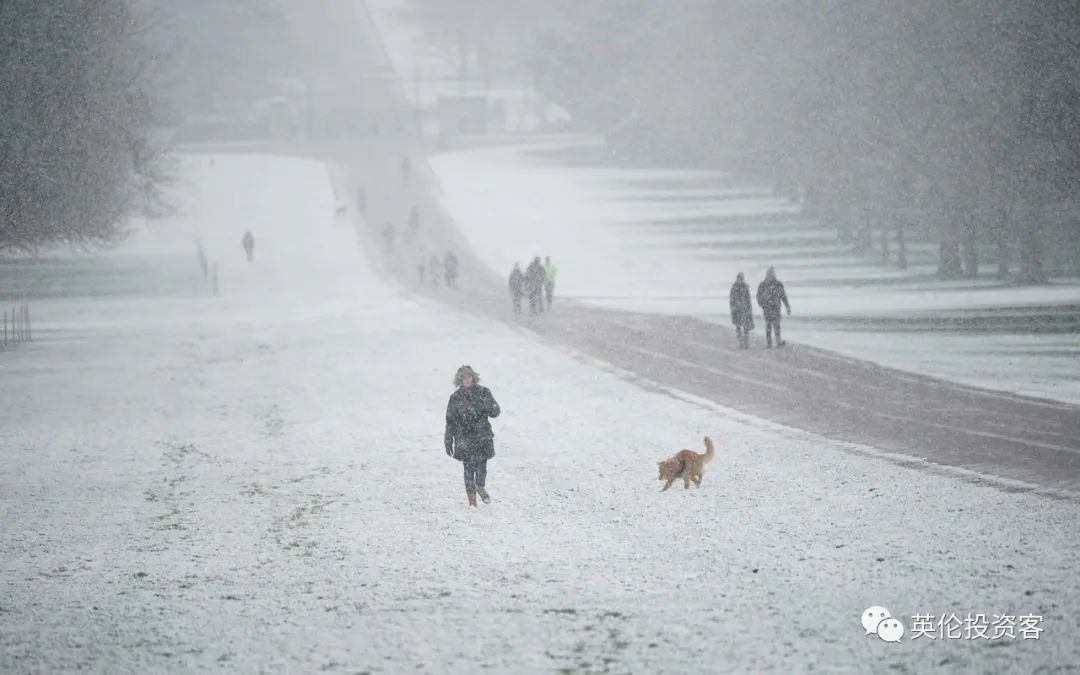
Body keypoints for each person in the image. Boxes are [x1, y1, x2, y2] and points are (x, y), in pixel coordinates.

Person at [444, 365, 501, 506]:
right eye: (463, 377)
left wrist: (487, 406)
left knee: (482, 466)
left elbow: (495, 412)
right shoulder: (455, 397)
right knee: (468, 468)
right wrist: (448, 441)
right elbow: (450, 421)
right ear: (459, 380)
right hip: (464, 437)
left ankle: (480, 486)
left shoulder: (484, 392)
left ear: (473, 377)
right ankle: (472, 501)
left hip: (482, 436)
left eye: (468, 376)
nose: (466, 379)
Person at [756, 266, 791, 348]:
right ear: (767, 274)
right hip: (767, 309)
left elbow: (783, 296)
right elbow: (758, 296)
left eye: (772, 273)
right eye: (769, 273)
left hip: (776, 308)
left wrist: (787, 307)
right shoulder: (762, 285)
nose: (771, 275)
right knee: (768, 326)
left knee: (776, 326)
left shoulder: (778, 284)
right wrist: (762, 305)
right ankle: (769, 343)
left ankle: (778, 342)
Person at [729, 272, 754, 349]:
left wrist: (749, 308)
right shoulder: (734, 287)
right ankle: (741, 342)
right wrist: (733, 307)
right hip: (737, 310)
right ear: (737, 278)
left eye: (742, 278)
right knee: (738, 326)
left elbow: (748, 299)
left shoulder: (745, 287)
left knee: (746, 327)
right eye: (739, 278)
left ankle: (746, 343)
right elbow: (731, 299)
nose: (740, 280)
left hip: (744, 309)